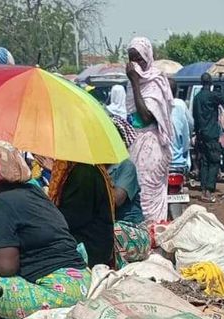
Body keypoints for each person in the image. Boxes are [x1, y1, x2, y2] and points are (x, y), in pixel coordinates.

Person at [0, 140, 90, 319]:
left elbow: (6, 267)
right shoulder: (35, 193)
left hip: (58, 290)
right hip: (80, 279)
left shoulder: (3, 202)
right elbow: (32, 242)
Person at [125, 36, 174, 223]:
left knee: (147, 195)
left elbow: (146, 117)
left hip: (150, 146)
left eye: (139, 59)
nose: (135, 64)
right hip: (135, 143)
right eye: (132, 59)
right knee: (135, 191)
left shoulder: (155, 81)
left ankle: (153, 233)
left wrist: (135, 82)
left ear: (147, 57)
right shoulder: (131, 84)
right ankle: (141, 234)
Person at [48, 160, 115, 268]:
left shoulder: (84, 172)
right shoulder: (83, 169)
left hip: (89, 246)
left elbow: (73, 217)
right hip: (94, 241)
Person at [193, 72, 224, 202]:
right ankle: (209, 190)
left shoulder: (196, 98)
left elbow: (195, 118)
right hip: (212, 134)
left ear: (201, 83)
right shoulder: (212, 96)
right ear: (211, 83)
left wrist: (197, 134)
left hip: (201, 135)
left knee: (204, 162)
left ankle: (203, 190)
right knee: (214, 161)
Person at [168, 77, 192, 173]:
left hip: (160, 163)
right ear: (176, 91)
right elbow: (189, 125)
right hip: (179, 161)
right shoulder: (180, 104)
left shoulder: (157, 106)